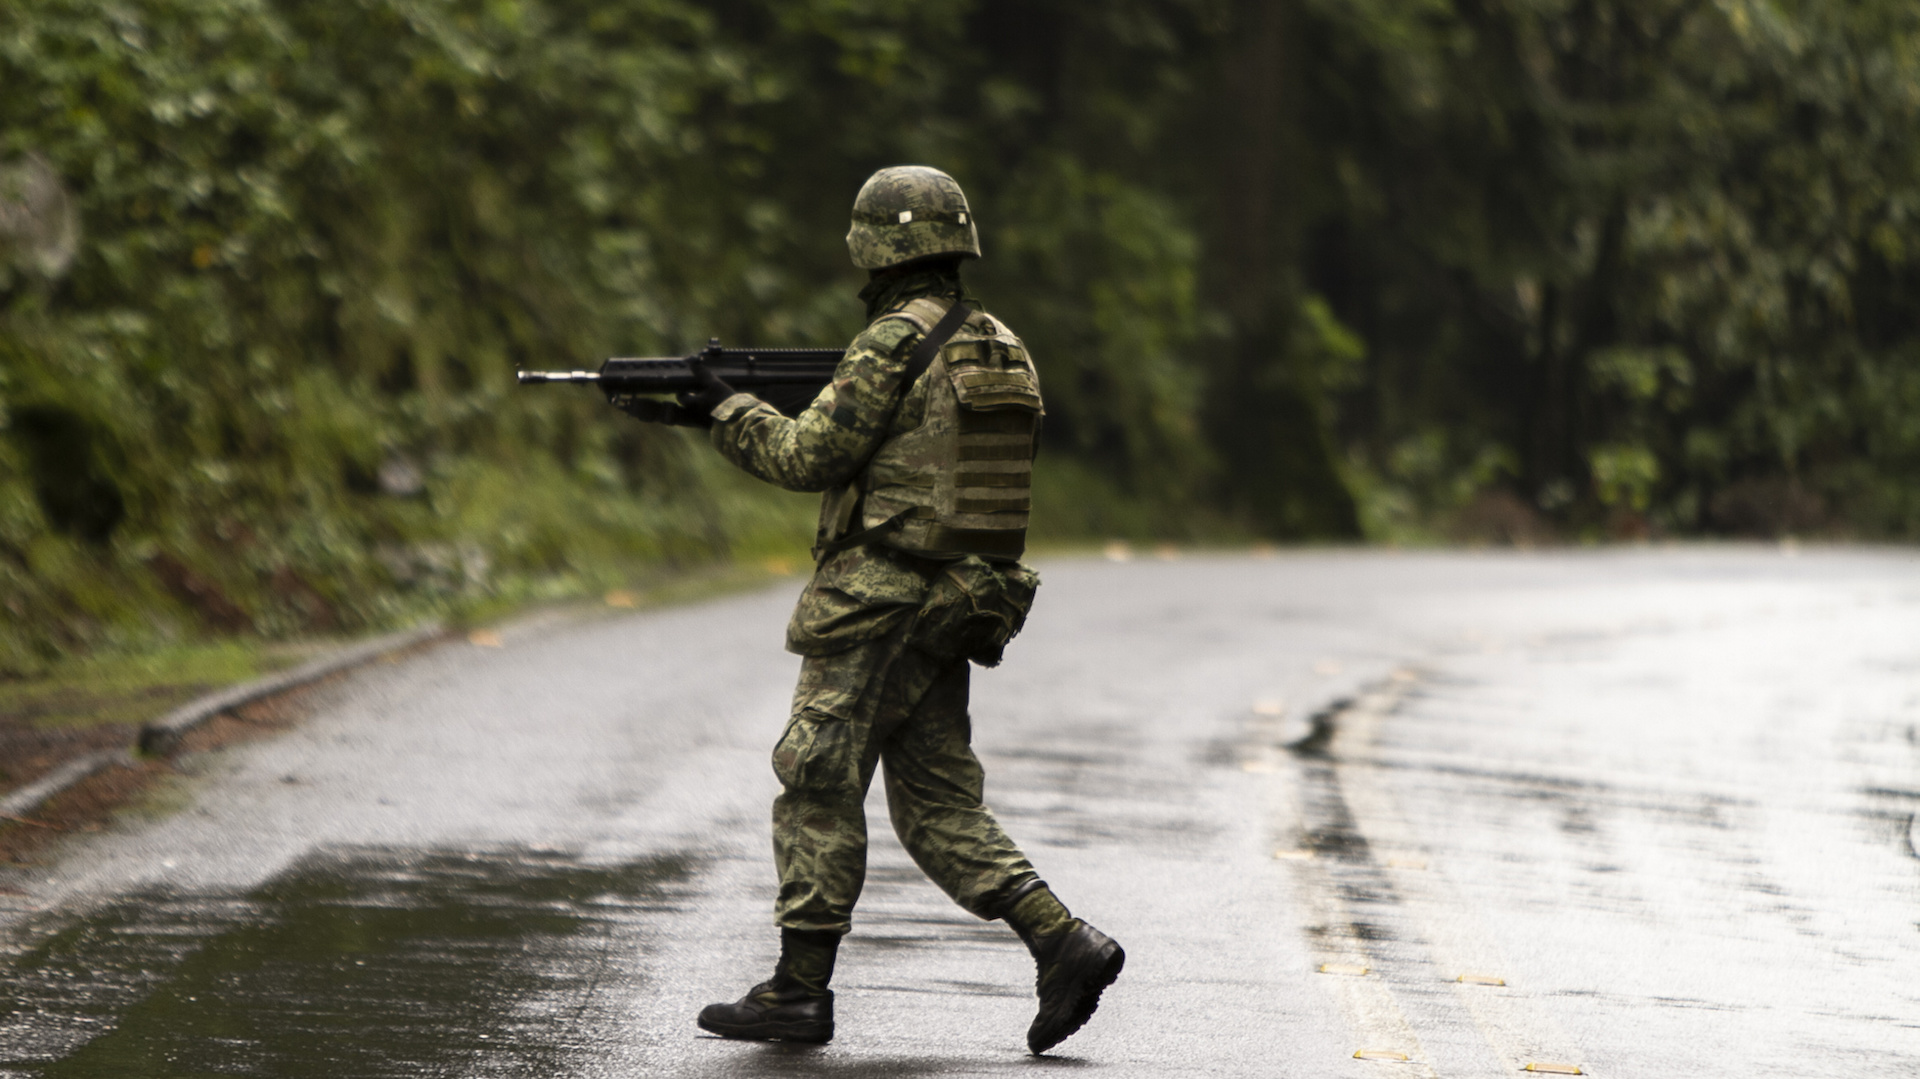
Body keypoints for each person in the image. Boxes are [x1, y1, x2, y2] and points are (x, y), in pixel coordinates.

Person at [612, 165, 1123, 1055]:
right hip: (955, 603)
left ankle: (797, 991)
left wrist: (729, 411)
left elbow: (808, 456)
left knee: (817, 774)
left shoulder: (892, 341)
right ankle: (1061, 939)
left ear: (875, 247)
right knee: (936, 803)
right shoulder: (1003, 345)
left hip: (877, 601)